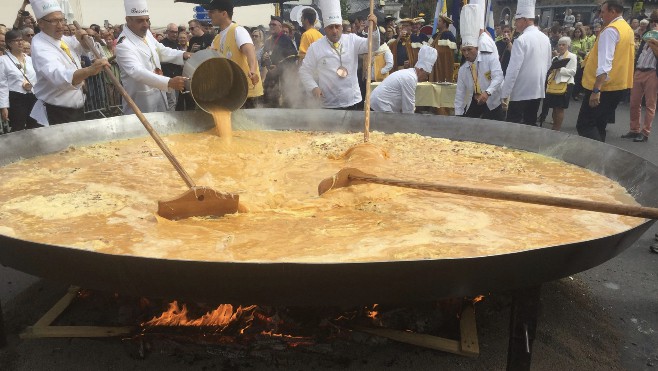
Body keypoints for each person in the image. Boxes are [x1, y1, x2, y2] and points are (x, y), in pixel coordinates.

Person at [29, 0, 109, 125]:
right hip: (56, 112)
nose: (60, 25)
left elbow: (82, 48)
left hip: (77, 108)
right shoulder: (40, 45)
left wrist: (83, 40)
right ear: (41, 23)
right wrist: (89, 70)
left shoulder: (63, 39)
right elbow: (59, 77)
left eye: (62, 20)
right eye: (54, 21)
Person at [115, 0, 191, 115]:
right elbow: (137, 72)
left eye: (147, 20)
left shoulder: (146, 33)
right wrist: (169, 82)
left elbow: (160, 50)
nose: (145, 24)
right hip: (141, 102)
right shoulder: (123, 45)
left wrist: (182, 54)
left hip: (159, 96)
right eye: (140, 20)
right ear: (128, 20)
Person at [299, 0, 379, 109]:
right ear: (325, 28)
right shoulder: (315, 47)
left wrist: (373, 29)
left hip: (352, 100)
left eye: (337, 26)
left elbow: (373, 46)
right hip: (328, 103)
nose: (334, 31)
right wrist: (313, 88)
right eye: (330, 27)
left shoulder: (352, 40)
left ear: (341, 27)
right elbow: (304, 71)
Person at [576, 0, 634, 142]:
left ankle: (596, 158)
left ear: (612, 11)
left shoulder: (611, 30)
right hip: (618, 85)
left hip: (604, 86)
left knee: (585, 125)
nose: (600, 15)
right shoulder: (627, 28)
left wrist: (596, 90)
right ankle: (599, 158)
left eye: (603, 11)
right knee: (599, 124)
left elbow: (605, 63)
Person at [500, 0, 551, 126]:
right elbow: (548, 64)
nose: (515, 24)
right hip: (537, 90)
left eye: (516, 20)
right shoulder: (545, 38)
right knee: (530, 124)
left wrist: (505, 93)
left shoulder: (521, 40)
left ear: (524, 19)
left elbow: (513, 69)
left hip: (520, 92)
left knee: (513, 125)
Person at [205, 0, 263, 108]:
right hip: (231, 91)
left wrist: (253, 71)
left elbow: (250, 51)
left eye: (212, 11)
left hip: (247, 92)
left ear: (224, 13)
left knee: (248, 124)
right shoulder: (217, 38)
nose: (209, 14)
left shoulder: (238, 30)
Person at [454, 4, 504, 120]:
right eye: (464, 50)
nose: (466, 53)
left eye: (469, 50)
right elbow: (460, 94)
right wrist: (457, 116)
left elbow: (498, 77)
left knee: (497, 129)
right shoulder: (463, 70)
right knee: (468, 126)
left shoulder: (490, 57)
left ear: (477, 49)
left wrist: (487, 93)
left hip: (492, 99)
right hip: (475, 99)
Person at [622, 10, 658, 142]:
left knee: (650, 104)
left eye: (657, 21)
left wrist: (653, 41)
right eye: (653, 21)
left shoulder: (652, 37)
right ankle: (634, 129)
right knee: (634, 103)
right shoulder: (645, 36)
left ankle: (645, 132)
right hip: (639, 70)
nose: (655, 24)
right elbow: (639, 54)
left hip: (652, 72)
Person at [370, 45, 436, 114]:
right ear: (421, 70)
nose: (426, 78)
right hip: (380, 104)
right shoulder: (410, 78)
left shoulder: (409, 74)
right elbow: (408, 105)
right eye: (426, 75)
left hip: (380, 103)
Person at [0, 29, 38, 132]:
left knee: (35, 125)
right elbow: (2, 85)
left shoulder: (29, 59)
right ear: (9, 43)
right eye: (16, 40)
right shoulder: (3, 60)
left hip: (32, 95)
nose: (20, 42)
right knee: (18, 126)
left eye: (21, 39)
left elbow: (37, 78)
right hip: (16, 97)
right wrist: (4, 107)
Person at [537, 36, 577, 130]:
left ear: (568, 46)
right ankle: (554, 127)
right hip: (553, 84)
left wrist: (560, 68)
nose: (561, 46)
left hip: (566, 84)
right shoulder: (555, 57)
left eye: (564, 45)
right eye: (560, 45)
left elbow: (573, 72)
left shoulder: (572, 56)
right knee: (554, 108)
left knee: (559, 108)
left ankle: (557, 128)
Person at [261, 15, 297, 107]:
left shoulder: (286, 40)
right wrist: (264, 58)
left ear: (280, 27)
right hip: (270, 79)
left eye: (274, 24)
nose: (271, 26)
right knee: (268, 103)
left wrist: (278, 68)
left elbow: (292, 57)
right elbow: (264, 59)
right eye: (270, 24)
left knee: (283, 105)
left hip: (283, 78)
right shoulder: (268, 41)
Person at [570, 26, 589, 100]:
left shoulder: (583, 41)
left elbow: (585, 52)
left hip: (579, 61)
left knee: (577, 78)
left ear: (581, 33)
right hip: (571, 59)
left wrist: (580, 52)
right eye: (576, 32)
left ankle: (575, 94)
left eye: (579, 32)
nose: (577, 33)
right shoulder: (571, 40)